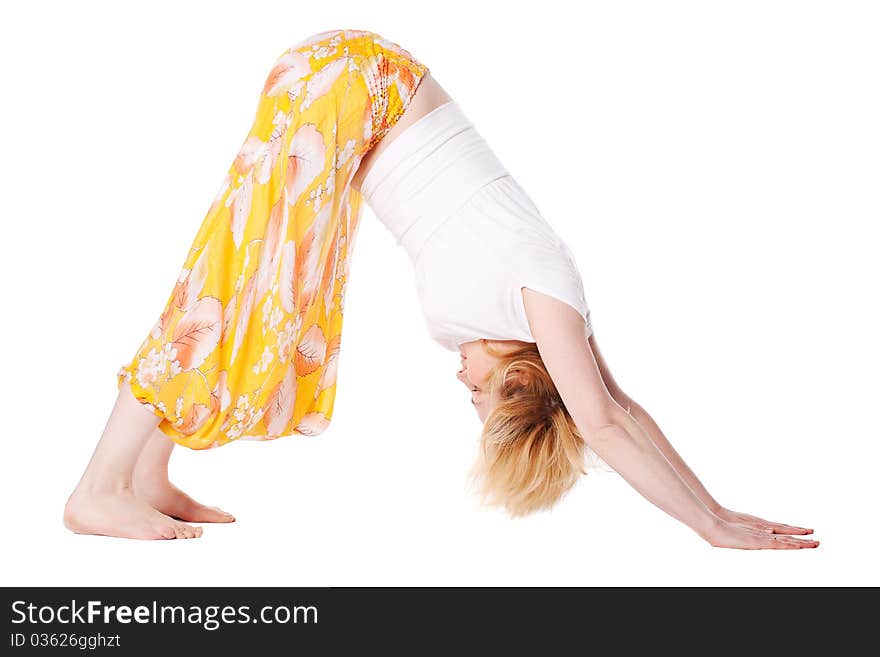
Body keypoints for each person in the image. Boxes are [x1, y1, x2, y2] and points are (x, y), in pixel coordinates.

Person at [64, 29, 818, 549]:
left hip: (353, 97)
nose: (466, 390)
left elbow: (621, 408)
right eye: (485, 398)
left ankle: (144, 471)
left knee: (260, 306)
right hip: (356, 84)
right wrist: (711, 528)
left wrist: (715, 507)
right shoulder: (544, 293)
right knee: (228, 296)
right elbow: (605, 423)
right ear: (523, 378)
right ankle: (98, 487)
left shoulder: (542, 314)